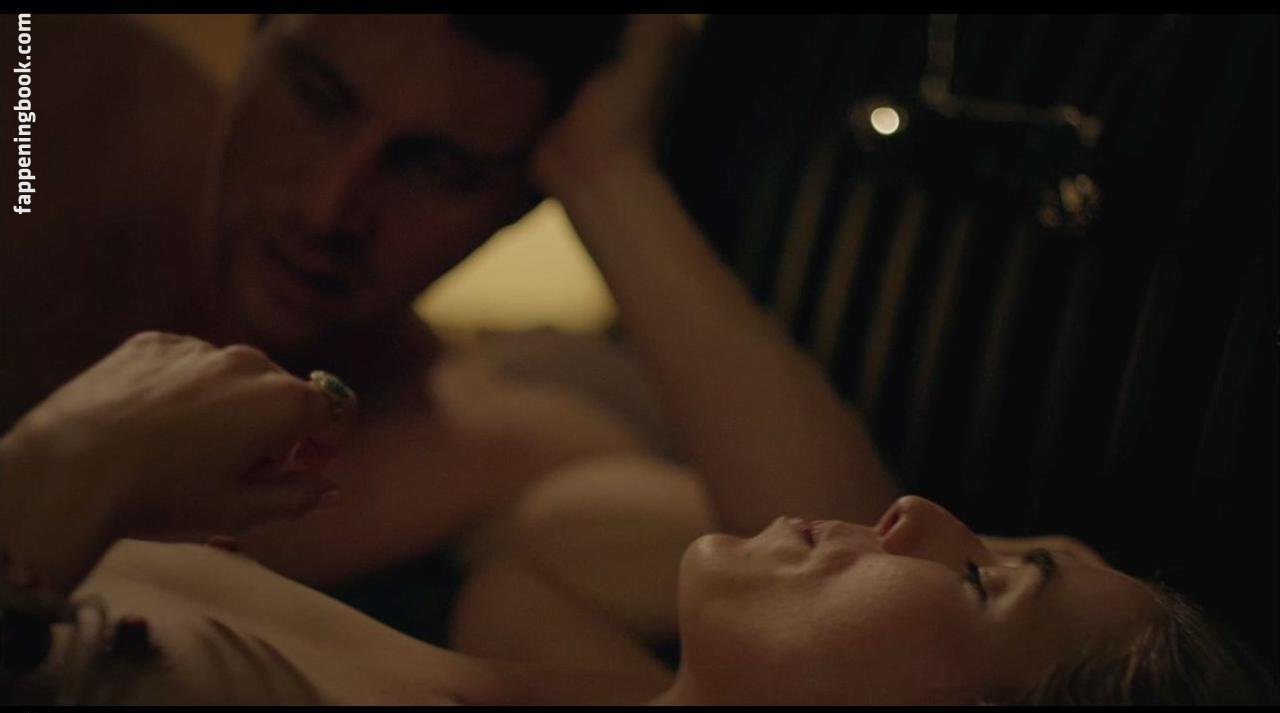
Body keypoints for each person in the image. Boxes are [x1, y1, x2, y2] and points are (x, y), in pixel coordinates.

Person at [2, 17, 1273, 705]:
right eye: (319, 93)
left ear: (512, 201)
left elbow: (828, 575)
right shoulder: (46, 88)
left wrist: (603, 170)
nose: (334, 205)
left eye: (437, 166)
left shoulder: (490, 428)